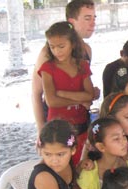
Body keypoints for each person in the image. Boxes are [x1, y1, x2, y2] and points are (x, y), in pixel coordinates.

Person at [32, 0, 97, 134]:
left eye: (94, 18)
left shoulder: (87, 51)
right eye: (87, 18)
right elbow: (37, 93)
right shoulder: (48, 54)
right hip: (55, 123)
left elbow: (86, 91)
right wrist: (40, 130)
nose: (93, 23)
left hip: (81, 121)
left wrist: (89, 95)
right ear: (72, 21)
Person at [39, 21, 96, 165]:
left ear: (73, 44)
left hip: (81, 125)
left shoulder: (82, 65)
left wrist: (62, 93)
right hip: (56, 128)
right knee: (59, 165)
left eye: (61, 46)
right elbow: (51, 101)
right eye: (52, 47)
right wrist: (80, 99)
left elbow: (90, 95)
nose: (57, 51)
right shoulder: (47, 68)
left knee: (81, 164)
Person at [74, 118, 128, 189]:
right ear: (101, 147)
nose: (124, 141)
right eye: (116, 139)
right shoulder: (89, 173)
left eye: (123, 135)